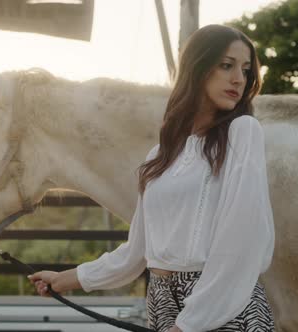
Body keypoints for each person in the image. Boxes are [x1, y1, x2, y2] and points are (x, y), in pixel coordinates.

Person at [28, 24, 276, 332]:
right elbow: (137, 252)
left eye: (246, 70)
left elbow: (242, 242)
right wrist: (65, 279)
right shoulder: (160, 156)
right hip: (161, 301)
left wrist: (188, 324)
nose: (239, 79)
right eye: (226, 66)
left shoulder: (243, 133)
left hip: (220, 307)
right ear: (197, 68)